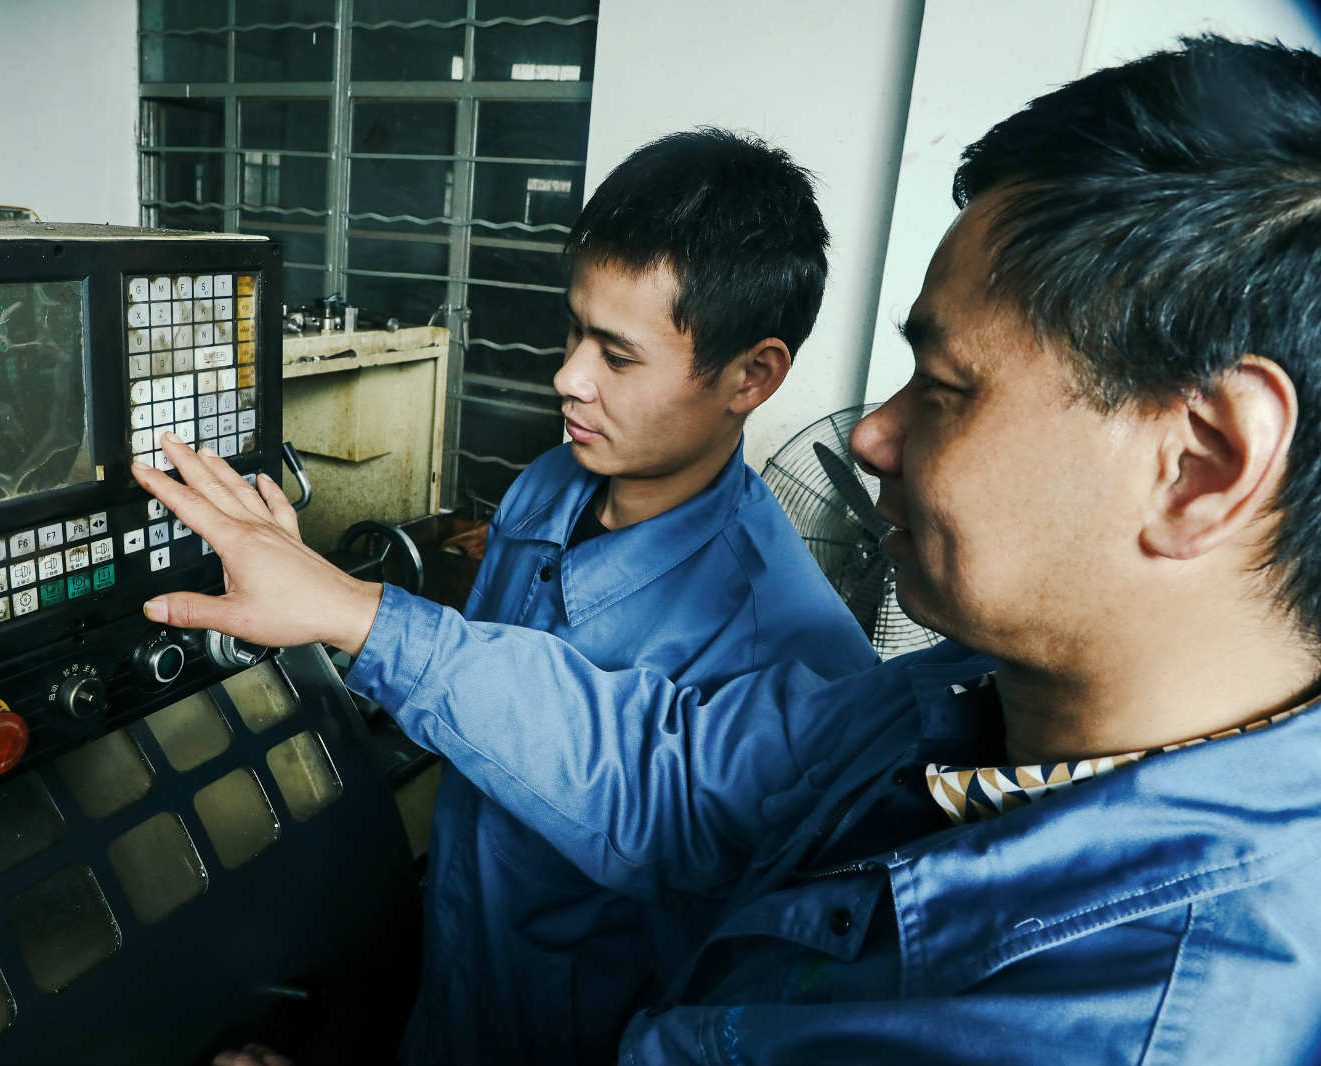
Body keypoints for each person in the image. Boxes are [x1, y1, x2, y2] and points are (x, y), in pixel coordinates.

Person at [135, 35, 1321, 1063]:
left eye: (947, 386)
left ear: (1201, 461)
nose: (871, 435)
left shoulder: (1130, 1018)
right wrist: (352, 612)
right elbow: (661, 781)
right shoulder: (941, 706)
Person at [428, 128, 884, 1064]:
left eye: (618, 356)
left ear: (751, 375)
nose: (567, 377)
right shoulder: (549, 483)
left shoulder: (794, 655)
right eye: (574, 330)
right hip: (452, 974)